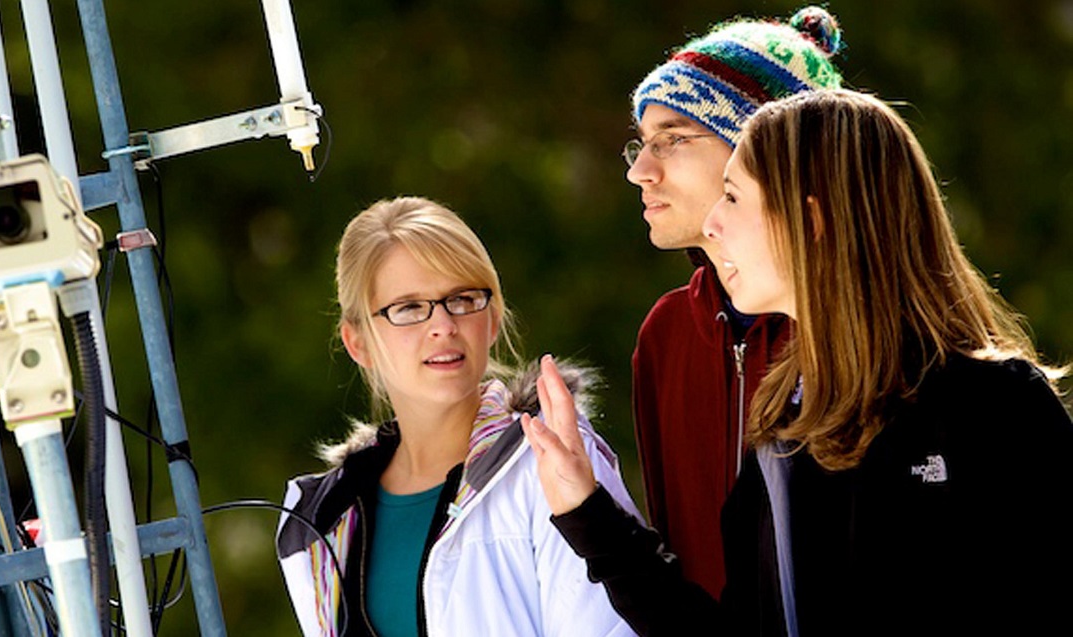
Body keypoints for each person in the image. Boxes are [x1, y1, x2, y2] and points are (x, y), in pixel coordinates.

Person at [523, 89, 1073, 636]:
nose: (712, 224)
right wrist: (587, 511)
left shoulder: (997, 405)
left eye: (733, 197)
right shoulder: (783, 431)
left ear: (809, 220)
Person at [275, 196, 641, 637]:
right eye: (409, 308)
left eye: (463, 299)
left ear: (493, 319)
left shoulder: (551, 459)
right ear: (359, 343)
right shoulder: (321, 517)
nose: (444, 325)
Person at [623, 6, 845, 598]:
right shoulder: (665, 334)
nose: (640, 171)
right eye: (640, 145)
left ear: (760, 152)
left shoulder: (855, 334)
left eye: (671, 139)